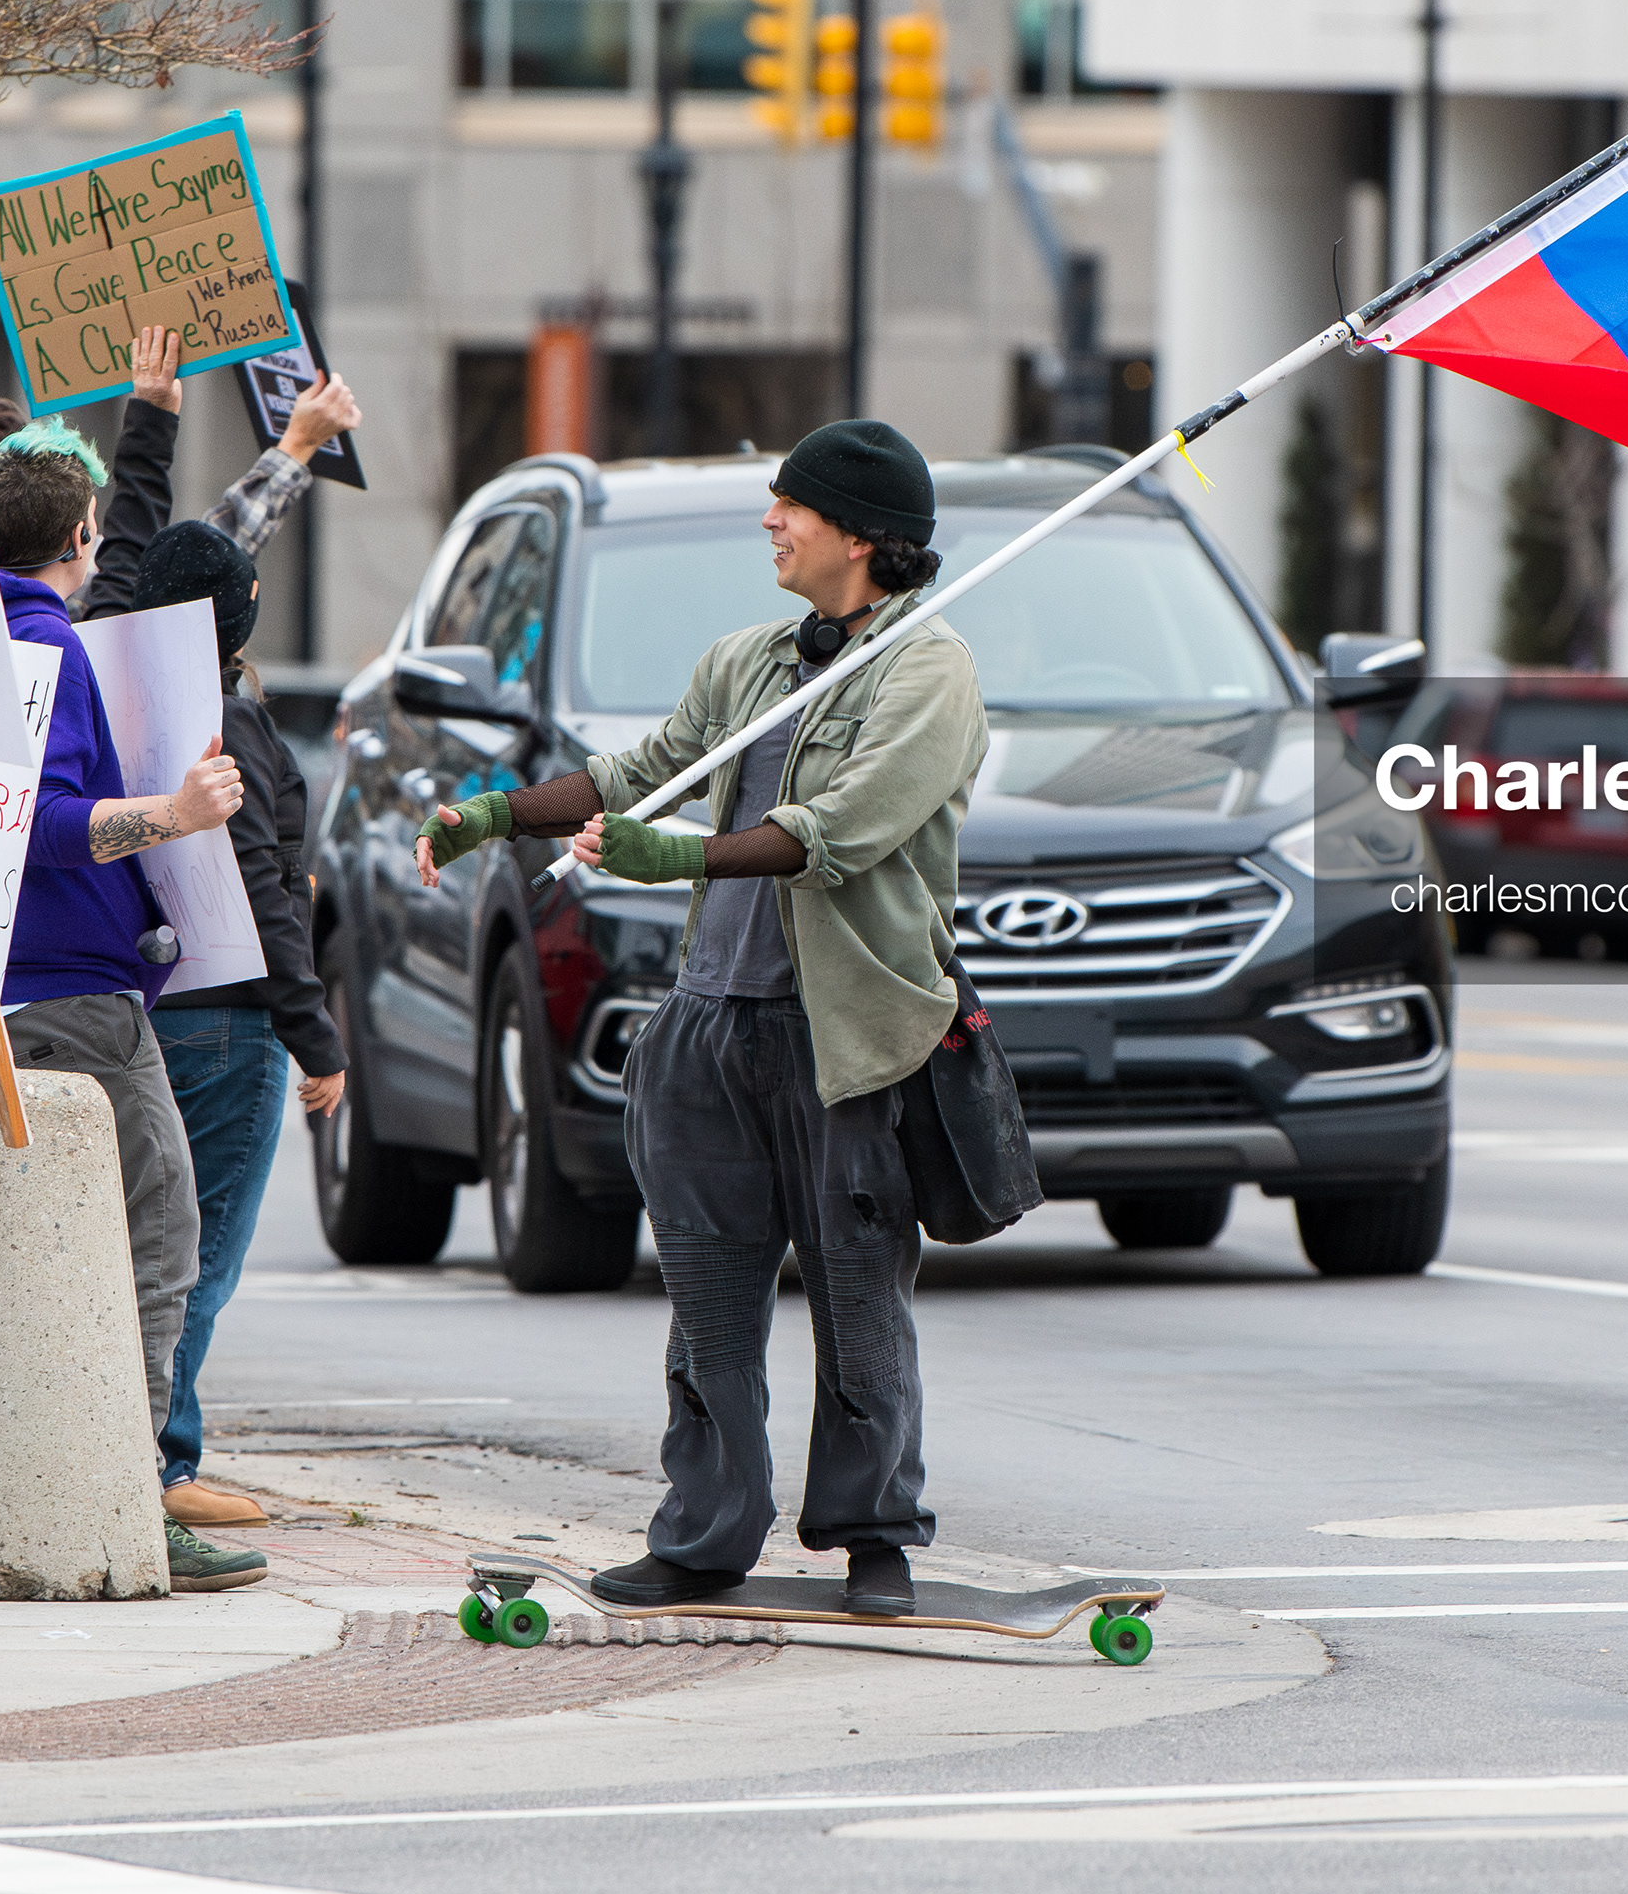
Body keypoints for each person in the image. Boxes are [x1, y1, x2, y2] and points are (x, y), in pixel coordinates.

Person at [415, 421, 985, 1618]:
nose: (770, 521)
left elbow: (843, 832)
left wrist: (672, 853)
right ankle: (703, 1534)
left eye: (794, 507)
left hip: (849, 1041)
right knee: (709, 1305)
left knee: (858, 1299)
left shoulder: (926, 674)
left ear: (865, 539)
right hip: (710, 1027)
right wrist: (498, 814)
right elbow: (644, 771)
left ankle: (875, 1537)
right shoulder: (747, 659)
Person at [0, 388, 255, 1590]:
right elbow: (39, 823)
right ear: (79, 537)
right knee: (155, 1233)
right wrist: (173, 812)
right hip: (63, 997)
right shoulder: (45, 643)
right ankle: (124, 1497)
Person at [86, 333, 354, 1529]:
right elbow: (261, 881)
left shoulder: (108, 663)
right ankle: (159, 1462)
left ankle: (131, 1447)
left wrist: (148, 419)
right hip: (229, 1015)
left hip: (139, 999)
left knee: (137, 1241)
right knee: (191, 1255)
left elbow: (145, 551)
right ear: (242, 622)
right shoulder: (225, 721)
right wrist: (316, 1034)